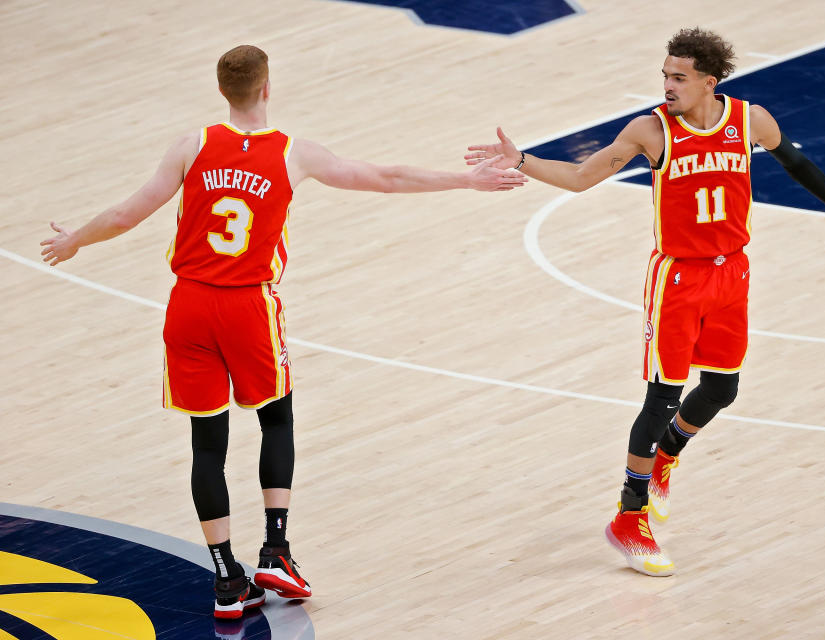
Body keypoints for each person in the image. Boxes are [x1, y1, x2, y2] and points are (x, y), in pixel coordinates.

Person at [40, 44, 526, 618]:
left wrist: (75, 239)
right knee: (277, 418)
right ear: (268, 88)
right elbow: (385, 178)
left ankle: (226, 580)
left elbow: (126, 213)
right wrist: (465, 181)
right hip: (248, 308)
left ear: (223, 90)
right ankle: (276, 549)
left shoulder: (192, 146)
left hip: (189, 307)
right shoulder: (294, 154)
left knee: (207, 443)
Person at [465, 27, 825, 576]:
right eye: (664, 74)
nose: (667, 85)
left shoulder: (750, 120)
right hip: (678, 278)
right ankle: (628, 517)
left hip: (734, 272)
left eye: (678, 77)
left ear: (710, 81)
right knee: (660, 398)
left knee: (723, 388)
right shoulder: (651, 131)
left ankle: (666, 457)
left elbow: (797, 163)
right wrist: (522, 161)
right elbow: (582, 177)